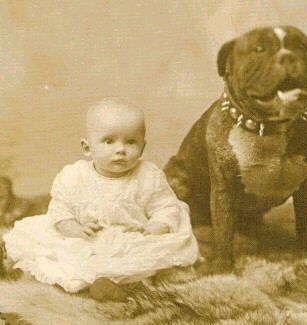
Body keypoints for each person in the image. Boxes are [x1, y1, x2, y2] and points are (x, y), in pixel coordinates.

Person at [3, 98, 199, 300]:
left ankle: (130, 285)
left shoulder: (148, 176)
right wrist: (77, 229)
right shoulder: (74, 177)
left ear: (142, 147)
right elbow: (60, 213)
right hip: (88, 240)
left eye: (131, 142)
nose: (120, 149)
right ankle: (94, 285)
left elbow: (165, 207)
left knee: (152, 257)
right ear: (87, 148)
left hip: (132, 239)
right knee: (61, 259)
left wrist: (152, 228)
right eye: (109, 141)